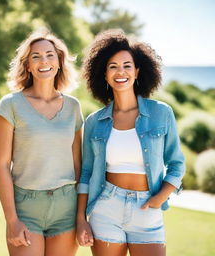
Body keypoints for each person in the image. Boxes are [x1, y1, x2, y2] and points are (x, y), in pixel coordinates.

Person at [76, 29, 185, 256]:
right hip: (105, 208)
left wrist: (160, 197)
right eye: (113, 66)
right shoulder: (94, 122)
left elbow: (176, 163)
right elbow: (86, 174)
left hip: (148, 208)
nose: (120, 72)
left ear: (137, 71)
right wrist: (81, 220)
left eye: (127, 65)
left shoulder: (161, 113)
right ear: (104, 74)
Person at [0, 28, 83, 256]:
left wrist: (81, 216)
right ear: (28, 65)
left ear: (59, 62)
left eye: (50, 55)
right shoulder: (10, 105)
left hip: (66, 206)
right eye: (36, 56)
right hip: (26, 207)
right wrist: (12, 219)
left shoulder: (73, 107)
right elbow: (2, 165)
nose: (44, 60)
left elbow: (78, 165)